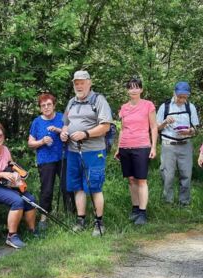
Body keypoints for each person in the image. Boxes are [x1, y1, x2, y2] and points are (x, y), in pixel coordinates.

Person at [60, 70, 113, 236]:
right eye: (76, 83)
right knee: (77, 187)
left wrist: (86, 134)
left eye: (82, 82)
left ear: (89, 83)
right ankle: (80, 220)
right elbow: (66, 124)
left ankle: (99, 223)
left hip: (93, 151)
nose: (79, 86)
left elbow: (105, 126)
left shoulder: (99, 100)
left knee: (94, 186)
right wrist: (63, 133)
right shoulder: (71, 102)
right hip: (73, 151)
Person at [0, 123, 37, 249]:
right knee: (17, 201)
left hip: (5, 183)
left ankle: (32, 231)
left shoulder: (5, 150)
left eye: (0, 135)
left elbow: (10, 166)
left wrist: (15, 174)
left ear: (3, 136)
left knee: (30, 199)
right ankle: (11, 236)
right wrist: (2, 174)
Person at [28, 93, 75, 231]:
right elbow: (30, 143)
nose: (46, 107)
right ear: (40, 108)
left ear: (54, 105)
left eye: (49, 104)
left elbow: (71, 134)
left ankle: (71, 216)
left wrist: (59, 130)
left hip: (63, 157)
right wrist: (42, 141)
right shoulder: (37, 122)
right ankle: (43, 218)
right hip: (45, 160)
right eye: (43, 105)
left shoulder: (62, 117)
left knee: (67, 187)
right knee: (46, 190)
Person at [114, 77, 157, 225]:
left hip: (142, 146)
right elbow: (122, 129)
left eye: (136, 87)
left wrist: (153, 147)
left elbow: (153, 127)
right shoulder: (124, 107)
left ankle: (143, 213)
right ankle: (136, 209)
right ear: (127, 90)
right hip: (125, 147)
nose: (133, 90)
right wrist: (118, 147)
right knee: (131, 179)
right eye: (130, 87)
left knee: (141, 180)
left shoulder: (148, 105)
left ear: (141, 89)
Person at [157, 82, 199, 207]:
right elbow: (157, 128)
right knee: (168, 175)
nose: (182, 99)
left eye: (185, 97)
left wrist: (190, 131)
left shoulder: (190, 107)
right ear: (174, 93)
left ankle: (184, 203)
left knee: (186, 174)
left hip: (186, 144)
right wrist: (165, 122)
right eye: (179, 96)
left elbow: (195, 129)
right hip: (168, 145)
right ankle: (167, 203)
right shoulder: (164, 107)